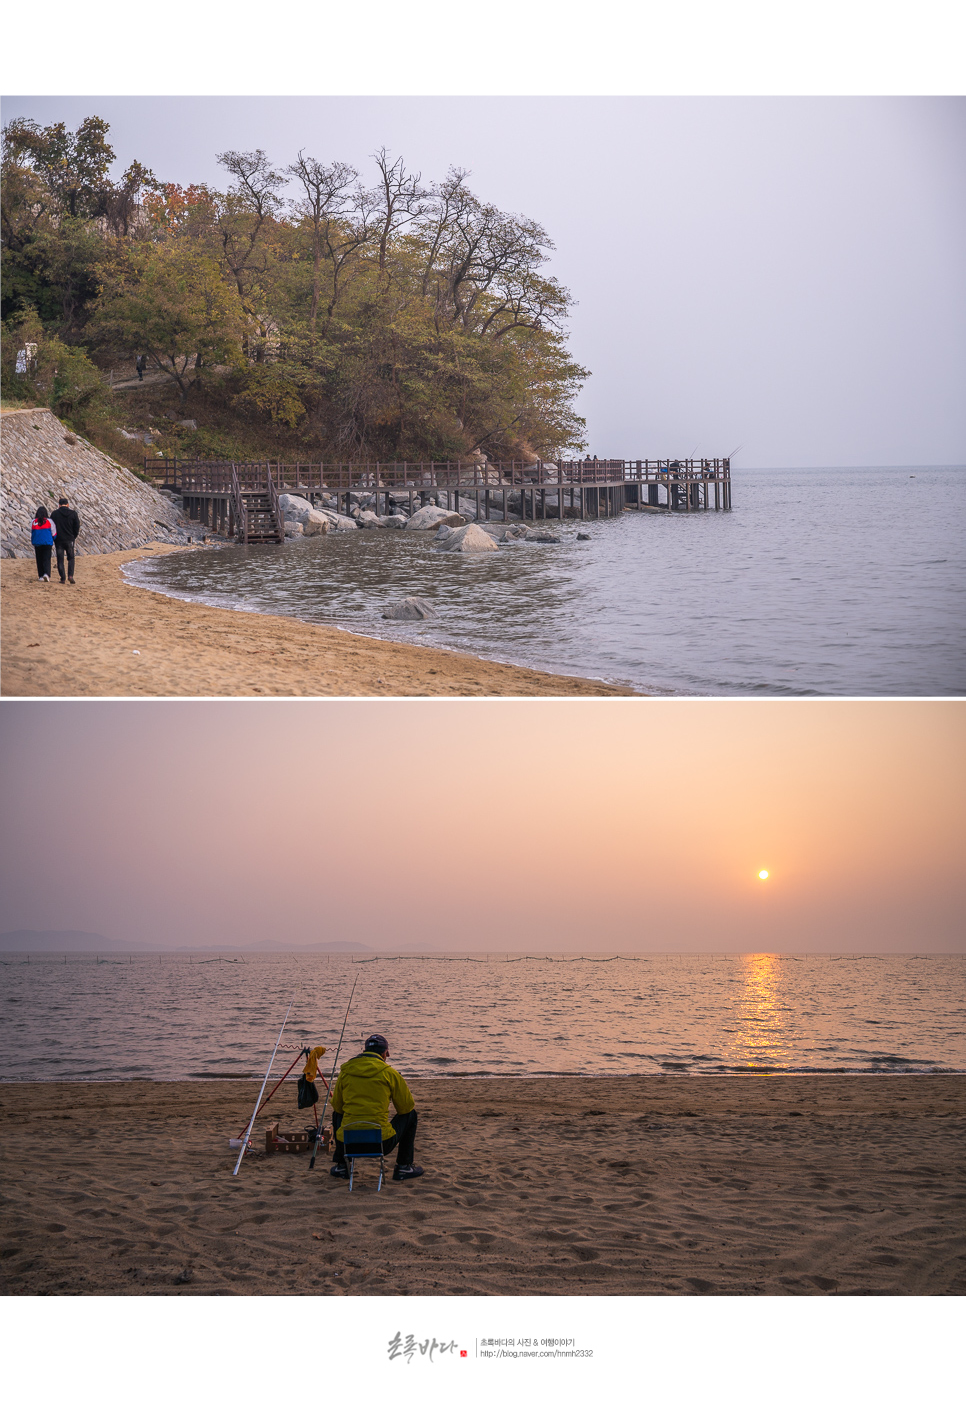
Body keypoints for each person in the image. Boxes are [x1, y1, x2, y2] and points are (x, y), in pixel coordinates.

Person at [329, 1033, 423, 1182]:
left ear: (365, 1050)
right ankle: (404, 1166)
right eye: (387, 1052)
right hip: (380, 1143)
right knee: (411, 1115)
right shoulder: (389, 1073)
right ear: (384, 1053)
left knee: (337, 1113)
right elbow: (406, 1107)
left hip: (349, 1143)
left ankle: (342, 1165)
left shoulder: (345, 1072)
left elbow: (338, 1106)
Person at [51, 497, 80, 584]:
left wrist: (54, 536)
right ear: (68, 505)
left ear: (59, 505)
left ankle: (62, 578)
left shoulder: (55, 514)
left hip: (59, 540)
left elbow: (51, 526)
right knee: (71, 558)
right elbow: (77, 526)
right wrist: (74, 536)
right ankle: (70, 575)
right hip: (69, 539)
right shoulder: (73, 514)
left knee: (60, 559)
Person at [31, 506, 56, 581]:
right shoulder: (49, 521)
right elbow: (54, 532)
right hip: (47, 542)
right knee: (46, 559)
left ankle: (41, 575)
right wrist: (53, 539)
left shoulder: (33, 521)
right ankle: (46, 574)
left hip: (37, 542)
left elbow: (32, 532)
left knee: (39, 559)